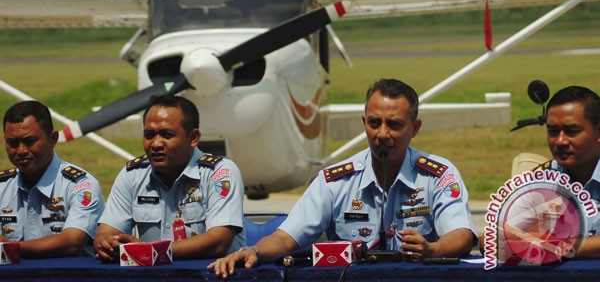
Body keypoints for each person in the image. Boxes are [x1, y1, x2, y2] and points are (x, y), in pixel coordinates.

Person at [209, 78, 477, 277]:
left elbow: (462, 234)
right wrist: (254, 251)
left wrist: (434, 250)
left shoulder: (437, 175)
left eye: (394, 125)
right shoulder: (335, 180)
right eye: (374, 123)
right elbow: (286, 238)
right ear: (364, 123)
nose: (382, 134)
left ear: (415, 128)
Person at [94, 94, 245, 261]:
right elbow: (105, 233)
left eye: (166, 135)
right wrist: (107, 244)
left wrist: (148, 251)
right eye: (149, 135)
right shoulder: (132, 174)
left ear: (193, 138)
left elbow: (219, 242)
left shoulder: (219, 173)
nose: (156, 144)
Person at [0, 100, 104, 257]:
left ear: (53, 139)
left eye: (30, 141)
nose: (21, 150)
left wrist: (10, 247)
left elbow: (72, 242)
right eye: (13, 143)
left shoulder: (81, 186)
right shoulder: (3, 186)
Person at [534, 85, 600, 258]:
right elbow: (491, 240)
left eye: (572, 131)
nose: (560, 141)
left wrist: (556, 247)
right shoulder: (539, 180)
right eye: (552, 131)